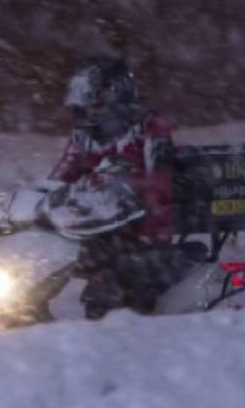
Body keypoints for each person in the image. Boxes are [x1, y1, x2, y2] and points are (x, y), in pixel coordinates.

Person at [46, 55, 178, 318]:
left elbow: (160, 184)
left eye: (93, 105)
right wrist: (40, 201)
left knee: (104, 295)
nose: (87, 113)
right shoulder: (86, 135)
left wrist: (129, 197)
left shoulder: (150, 127)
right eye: (83, 106)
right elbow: (62, 175)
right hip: (93, 230)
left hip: (139, 234)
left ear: (114, 97)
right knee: (43, 266)